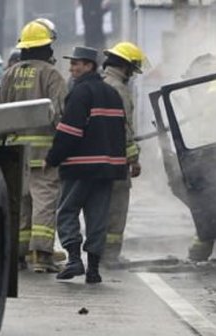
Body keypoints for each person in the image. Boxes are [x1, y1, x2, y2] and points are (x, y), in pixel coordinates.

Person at [49, 46, 127, 284]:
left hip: (79, 167)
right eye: (72, 64)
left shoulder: (80, 93)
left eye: (77, 64)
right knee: (97, 217)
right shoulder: (113, 94)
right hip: (107, 168)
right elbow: (121, 134)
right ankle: (93, 269)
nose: (72, 68)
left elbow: (70, 131)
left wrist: (52, 158)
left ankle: (74, 259)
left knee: (67, 212)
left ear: (90, 66)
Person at [0, 19, 67, 273]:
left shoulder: (9, 73)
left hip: (16, 153)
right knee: (44, 204)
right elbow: (61, 114)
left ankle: (18, 255)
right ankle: (41, 256)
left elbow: (0, 115)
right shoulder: (52, 74)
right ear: (47, 46)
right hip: (44, 154)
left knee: (20, 204)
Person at [101, 42, 146, 265]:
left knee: (98, 207)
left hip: (96, 159)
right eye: (132, 70)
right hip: (117, 160)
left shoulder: (97, 83)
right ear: (126, 67)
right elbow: (125, 127)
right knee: (116, 209)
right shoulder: (119, 89)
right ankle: (110, 255)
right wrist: (133, 158)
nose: (132, 75)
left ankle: (96, 251)